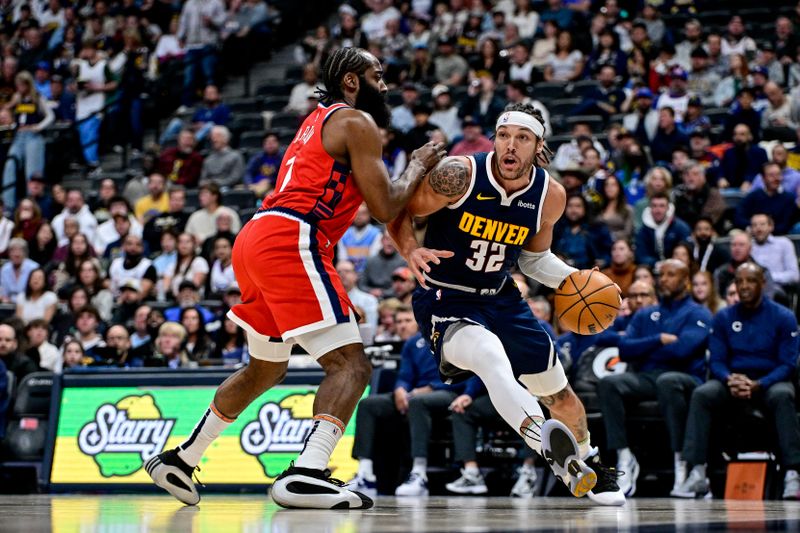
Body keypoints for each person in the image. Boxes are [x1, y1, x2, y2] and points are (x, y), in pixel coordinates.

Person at [146, 47, 445, 510]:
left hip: (256, 238)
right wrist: (419, 163)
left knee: (265, 368)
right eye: (377, 76)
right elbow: (386, 205)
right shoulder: (356, 122)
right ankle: (308, 472)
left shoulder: (318, 119)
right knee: (352, 365)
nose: (384, 86)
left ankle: (183, 458)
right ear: (351, 81)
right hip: (293, 238)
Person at [385, 103, 625, 506]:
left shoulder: (550, 195)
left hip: (502, 297)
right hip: (446, 294)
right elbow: (398, 209)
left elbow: (532, 260)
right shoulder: (459, 175)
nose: (510, 146)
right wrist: (410, 250)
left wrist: (575, 280)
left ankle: (586, 464)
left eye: (522, 138)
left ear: (538, 147)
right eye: (504, 136)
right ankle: (547, 446)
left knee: (558, 393)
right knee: (489, 355)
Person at [675, 263, 800, 500]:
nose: (743, 286)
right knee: (703, 394)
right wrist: (729, 378)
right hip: (733, 379)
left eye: (750, 281)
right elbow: (717, 360)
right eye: (739, 281)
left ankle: (793, 473)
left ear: (762, 283)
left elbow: (788, 364)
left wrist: (759, 384)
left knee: (784, 395)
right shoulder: (723, 317)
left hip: (770, 380)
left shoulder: (783, 316)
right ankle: (698, 472)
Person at [599, 259, 712, 497]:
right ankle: (624, 456)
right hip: (648, 377)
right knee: (609, 383)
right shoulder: (646, 315)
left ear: (686, 281)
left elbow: (682, 351)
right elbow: (624, 350)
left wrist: (645, 348)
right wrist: (658, 339)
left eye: (671, 275)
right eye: (662, 275)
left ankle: (682, 462)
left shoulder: (698, 313)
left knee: (668, 381)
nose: (664, 279)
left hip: (686, 378)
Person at [735, 162, 797, 235]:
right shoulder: (754, 196)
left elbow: (787, 224)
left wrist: (766, 230)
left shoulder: (789, 198)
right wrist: (752, 227)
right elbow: (739, 215)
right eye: (771, 175)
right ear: (763, 178)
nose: (776, 178)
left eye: (778, 174)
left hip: (780, 238)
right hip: (753, 235)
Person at [635, 192, 691, 268]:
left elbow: (686, 253)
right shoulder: (643, 231)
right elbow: (641, 255)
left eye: (662, 206)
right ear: (649, 208)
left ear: (668, 207)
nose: (658, 210)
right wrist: (657, 264)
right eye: (654, 206)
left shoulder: (680, 228)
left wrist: (670, 263)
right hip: (651, 269)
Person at [749, 214, 800, 291]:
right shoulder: (747, 245)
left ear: (771, 226)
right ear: (751, 229)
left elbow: (794, 275)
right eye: (754, 225)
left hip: (778, 288)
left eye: (762, 224)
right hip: (752, 288)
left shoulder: (784, 243)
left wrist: (768, 278)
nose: (758, 228)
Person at [0, 238, 39, 303]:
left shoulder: (34, 268)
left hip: (29, 303)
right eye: (13, 251)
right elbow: (4, 293)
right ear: (9, 253)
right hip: (8, 305)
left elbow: (36, 293)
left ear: (25, 253)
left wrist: (13, 300)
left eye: (20, 250)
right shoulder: (5, 269)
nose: (16, 254)